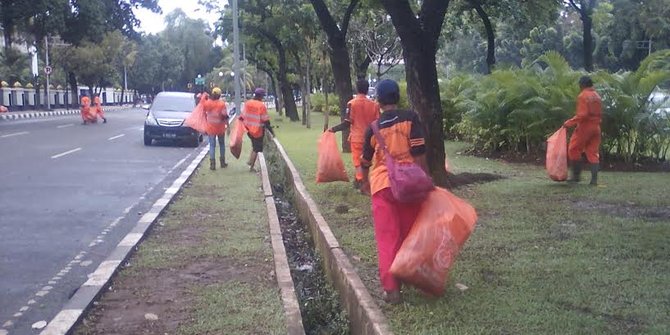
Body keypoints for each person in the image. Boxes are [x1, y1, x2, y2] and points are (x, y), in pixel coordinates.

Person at [360, 79, 429, 304]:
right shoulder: (410, 118)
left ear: (378, 101)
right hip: (408, 185)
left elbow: (365, 161)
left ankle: (392, 290)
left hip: (382, 186)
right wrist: (424, 180)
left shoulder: (373, 128)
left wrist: (364, 183)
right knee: (410, 233)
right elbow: (419, 151)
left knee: (387, 238)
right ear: (398, 97)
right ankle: (412, 276)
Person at [329, 79, 380, 191]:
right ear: (367, 90)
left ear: (357, 89)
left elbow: (347, 122)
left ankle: (361, 182)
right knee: (367, 161)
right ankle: (364, 181)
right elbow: (378, 122)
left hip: (357, 138)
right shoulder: (374, 105)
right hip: (371, 139)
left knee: (358, 162)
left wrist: (334, 129)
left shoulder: (351, 104)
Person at [563, 75, 602, 185]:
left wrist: (569, 123)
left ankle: (576, 177)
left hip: (585, 127)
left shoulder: (583, 96)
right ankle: (594, 180)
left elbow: (582, 115)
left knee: (573, 149)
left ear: (582, 85)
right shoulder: (597, 96)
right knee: (593, 153)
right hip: (596, 127)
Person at [240, 88, 274, 172]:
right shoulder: (261, 106)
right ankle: (251, 166)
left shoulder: (248, 103)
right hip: (257, 131)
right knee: (257, 148)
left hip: (249, 129)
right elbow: (265, 120)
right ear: (261, 96)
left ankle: (250, 161)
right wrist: (271, 131)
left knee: (254, 146)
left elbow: (242, 116)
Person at [203, 87, 229, 170]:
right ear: (219, 95)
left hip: (210, 127)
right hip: (220, 127)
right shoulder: (221, 104)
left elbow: (204, 113)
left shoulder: (207, 103)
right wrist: (228, 126)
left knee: (212, 145)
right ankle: (222, 162)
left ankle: (212, 165)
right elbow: (225, 116)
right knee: (222, 144)